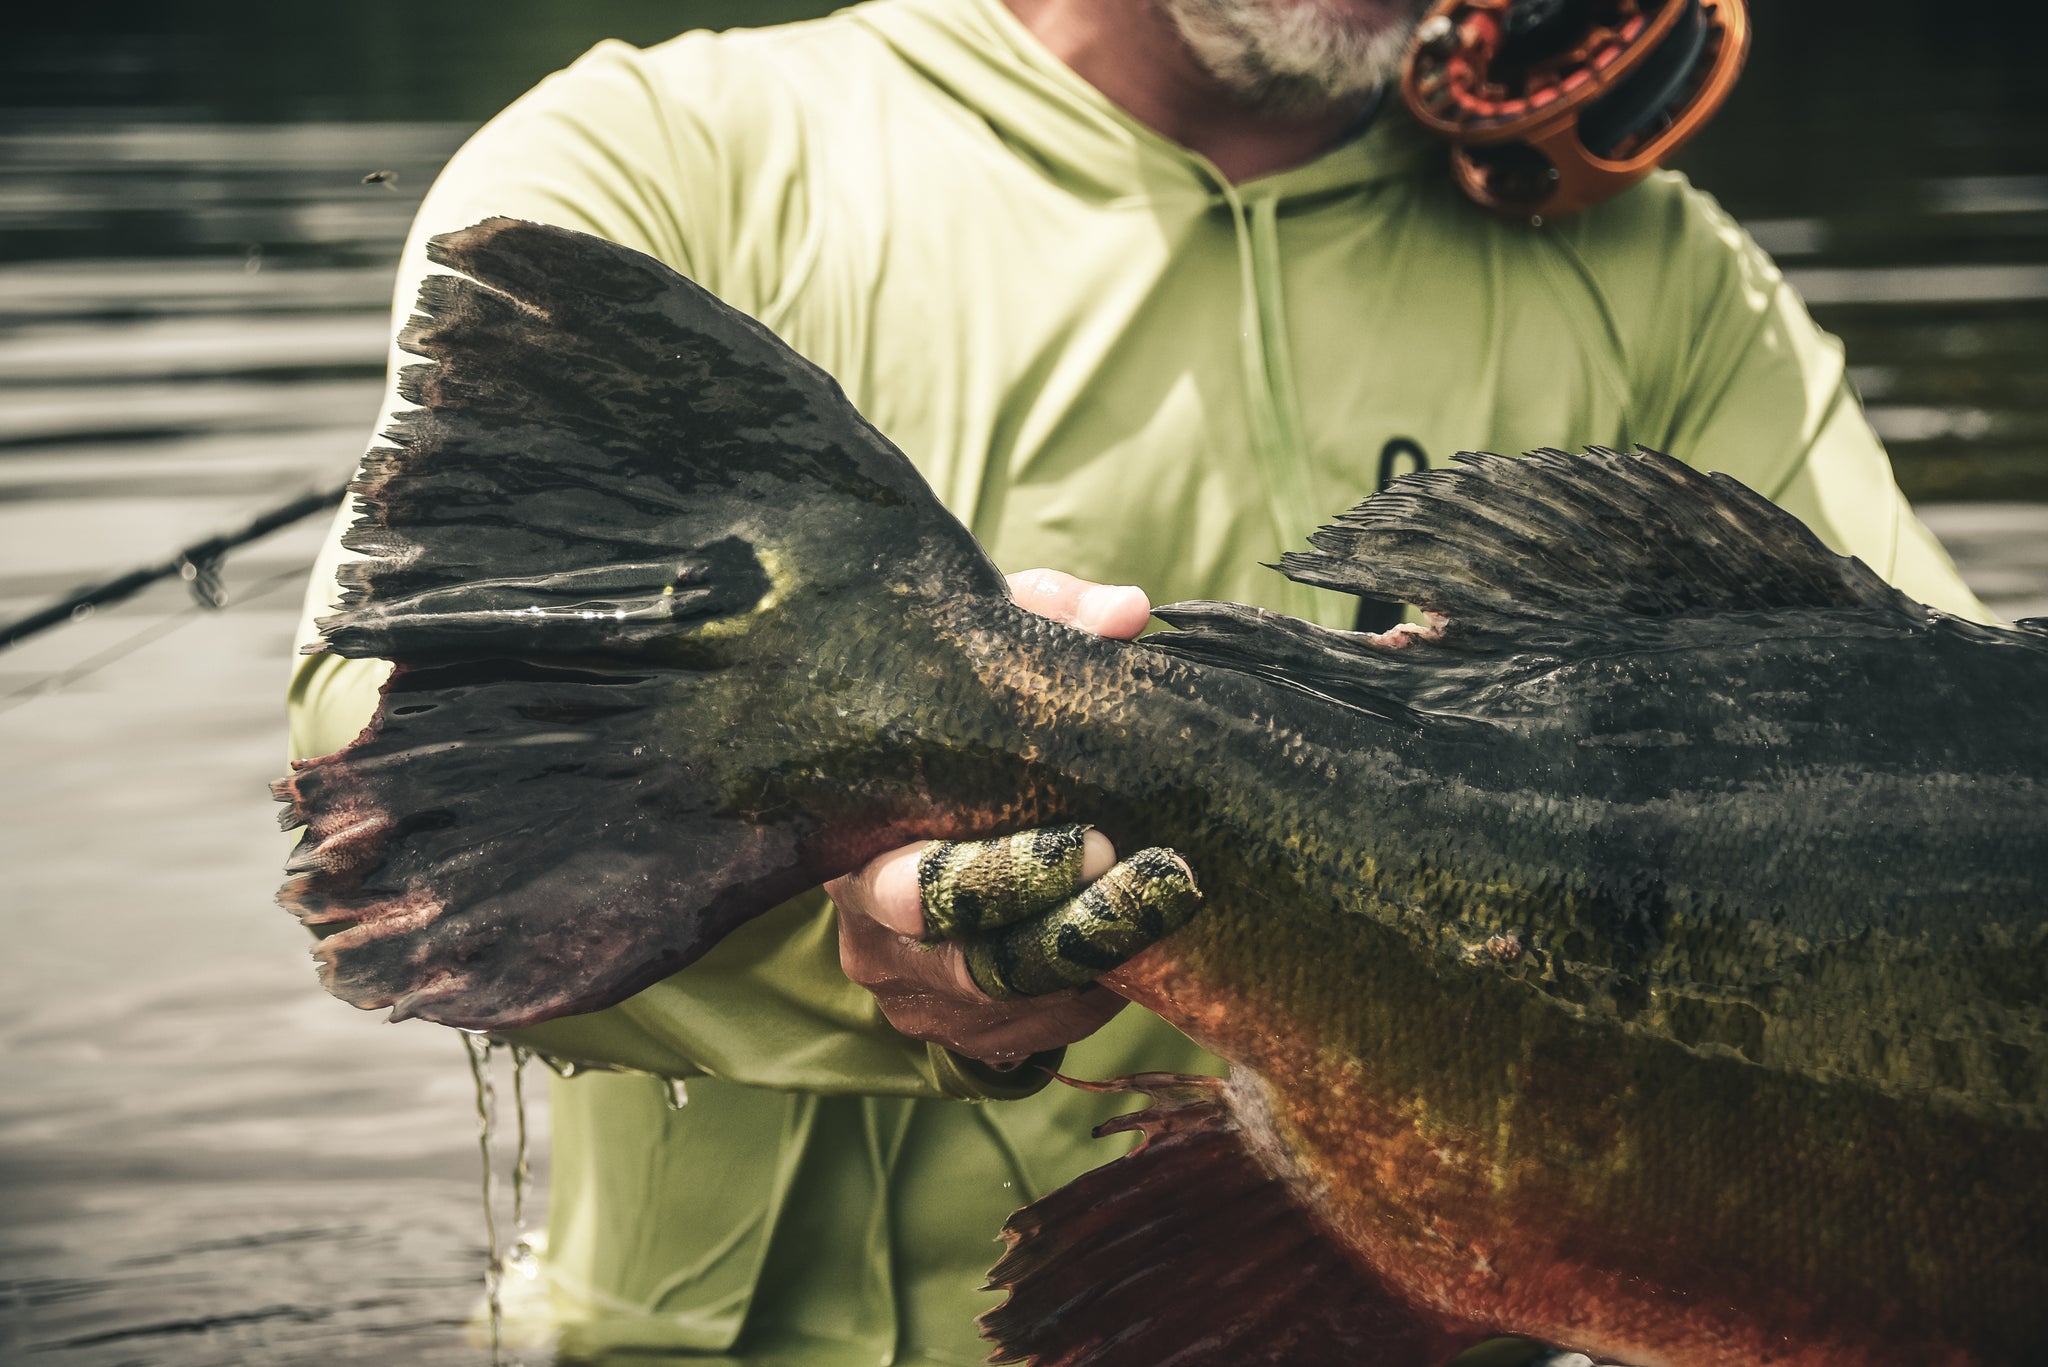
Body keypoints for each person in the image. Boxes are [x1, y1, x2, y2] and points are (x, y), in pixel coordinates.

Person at [287, 0, 1988, 1363]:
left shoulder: (1670, 281)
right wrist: (862, 939)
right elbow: (392, 777)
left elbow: (1962, 826)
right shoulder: (679, 159)